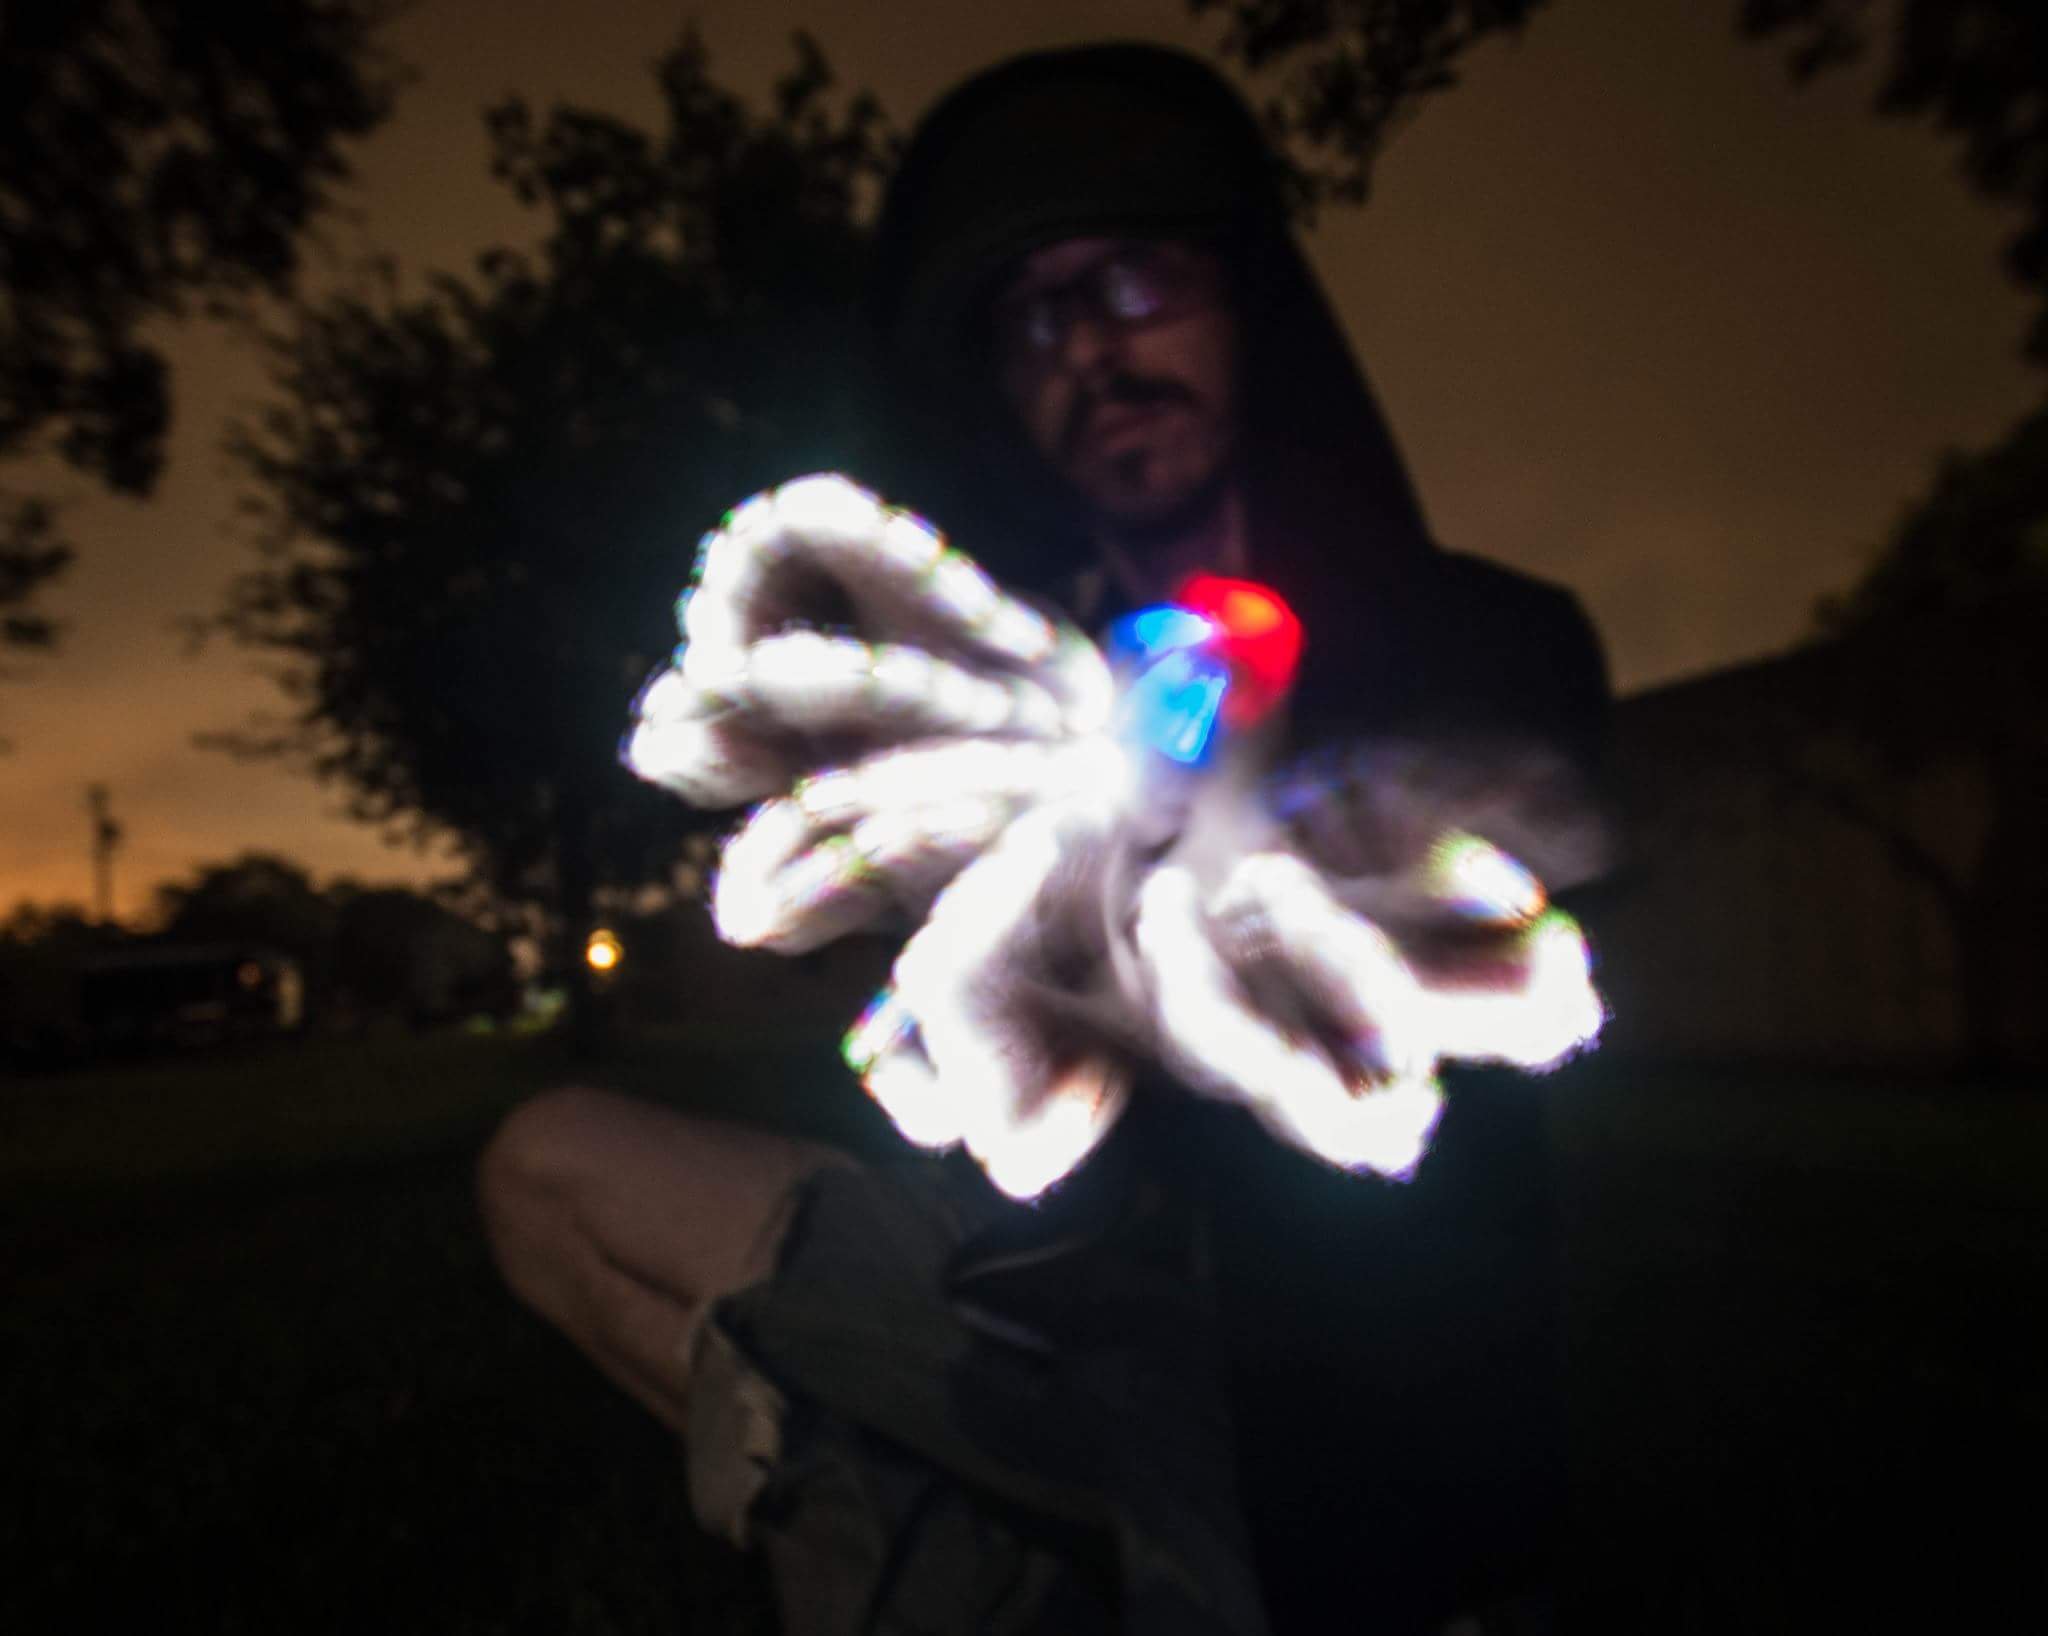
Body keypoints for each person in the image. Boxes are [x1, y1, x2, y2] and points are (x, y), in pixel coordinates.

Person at [479, 43, 1610, 1636]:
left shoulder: (1488, 644)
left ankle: (941, 1538)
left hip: (1338, 1446)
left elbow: (1471, 916)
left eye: (1137, 281)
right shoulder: (1012, 712)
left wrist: (1213, 778)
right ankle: (910, 1492)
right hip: (1031, 1342)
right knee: (549, 1175)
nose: (1092, 347)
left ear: (1245, 303)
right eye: (1034, 319)